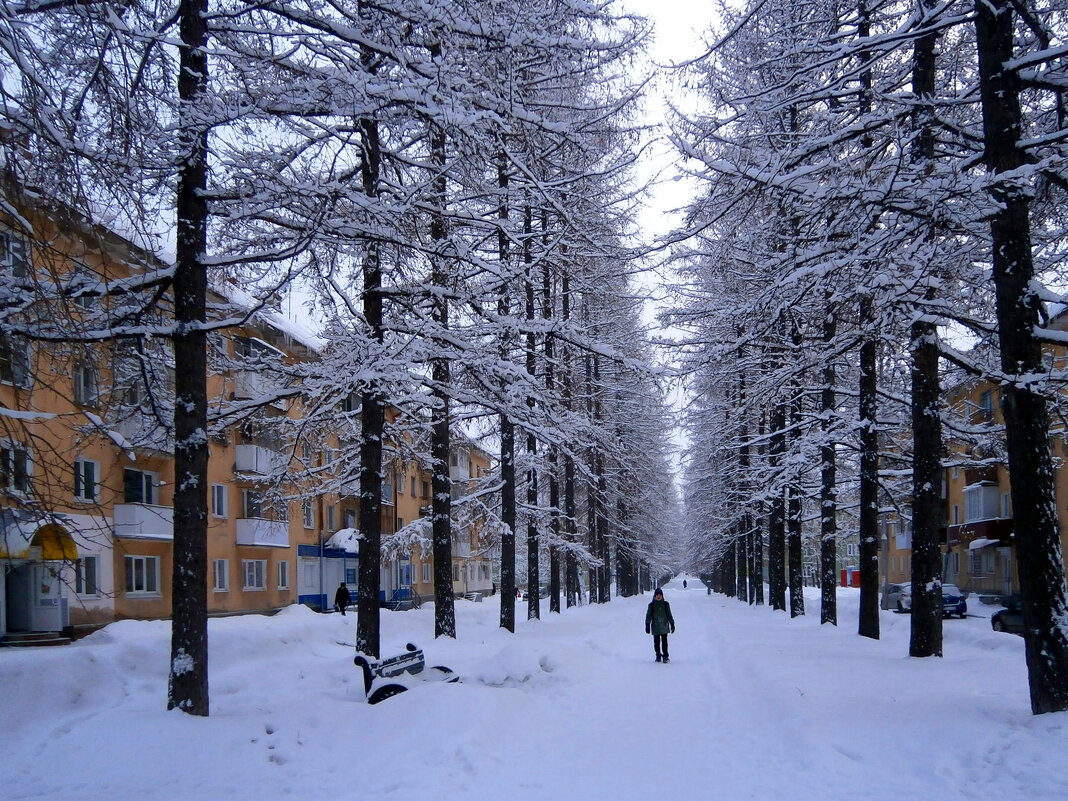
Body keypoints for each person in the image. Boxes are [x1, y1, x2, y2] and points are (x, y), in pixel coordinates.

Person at [645, 587, 675, 663]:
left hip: (664, 626)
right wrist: (647, 625)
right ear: (654, 596)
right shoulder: (651, 605)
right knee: (656, 642)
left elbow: (669, 614)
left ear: (662, 596)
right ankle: (658, 655)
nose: (658, 596)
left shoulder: (665, 604)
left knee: (664, 642)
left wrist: (672, 624)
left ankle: (665, 656)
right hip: (655, 626)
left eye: (660, 595)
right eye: (657, 595)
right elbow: (648, 615)